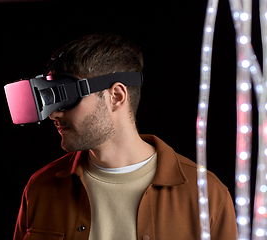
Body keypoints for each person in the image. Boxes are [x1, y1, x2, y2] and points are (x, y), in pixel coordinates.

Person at [13, 33, 237, 240]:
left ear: (116, 96)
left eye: (66, 97)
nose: (54, 113)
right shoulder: (40, 188)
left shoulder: (207, 195)